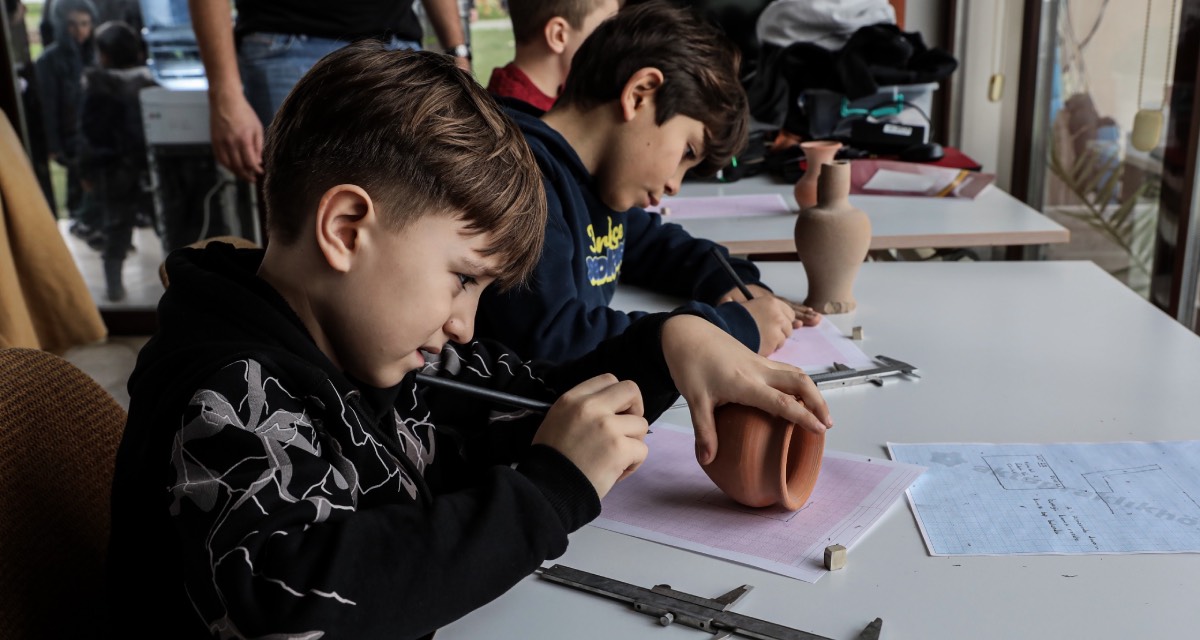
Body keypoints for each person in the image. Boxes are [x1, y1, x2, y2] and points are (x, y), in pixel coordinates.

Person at [103, 42, 832, 639]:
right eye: (462, 279)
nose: (466, 324)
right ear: (347, 230)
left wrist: (672, 343)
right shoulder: (225, 393)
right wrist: (548, 493)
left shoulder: (380, 350)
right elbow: (289, 604)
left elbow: (537, 403)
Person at [476, 1, 820, 364]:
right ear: (640, 94)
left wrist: (728, 279)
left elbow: (653, 245)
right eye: (687, 151)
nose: (675, 186)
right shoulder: (524, 183)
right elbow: (556, 340)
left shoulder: (594, 182)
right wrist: (725, 331)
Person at [188, 0, 472, 184]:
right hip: (289, 44)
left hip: (399, 47)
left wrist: (457, 52)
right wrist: (224, 93)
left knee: (414, 203)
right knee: (306, 227)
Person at [79, 21, 157, 302]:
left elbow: (88, 135)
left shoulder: (97, 88)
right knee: (165, 225)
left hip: (114, 172)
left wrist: (86, 170)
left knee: (116, 230)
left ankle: (114, 288)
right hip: (150, 171)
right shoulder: (150, 85)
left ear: (105, 55)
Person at [487, 0, 619, 115]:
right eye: (605, 32)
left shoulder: (568, 89)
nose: (612, 44)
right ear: (559, 35)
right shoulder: (515, 118)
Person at [34, 0, 98, 236]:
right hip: (70, 136)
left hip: (96, 135)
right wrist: (53, 145)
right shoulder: (48, 61)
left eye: (85, 23)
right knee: (78, 187)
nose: (80, 30)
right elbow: (48, 107)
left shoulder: (96, 54)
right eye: (73, 24)